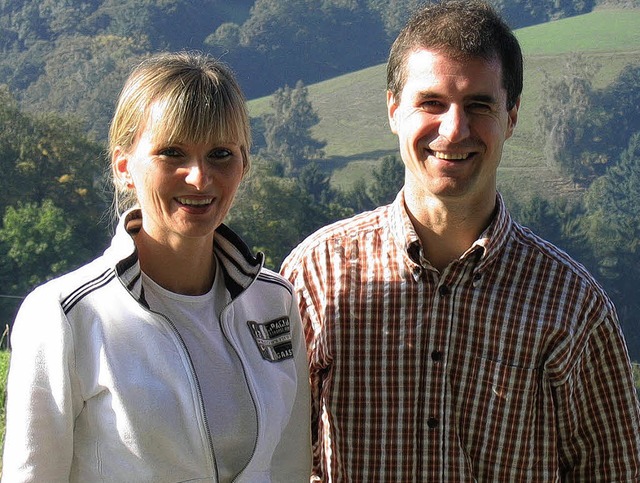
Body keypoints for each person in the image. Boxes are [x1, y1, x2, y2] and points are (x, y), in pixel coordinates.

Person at [281, 1, 640, 481]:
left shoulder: (571, 306)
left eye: (479, 105)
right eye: (432, 103)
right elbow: (267, 454)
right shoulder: (317, 276)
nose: (454, 129)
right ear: (394, 110)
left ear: (511, 118)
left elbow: (615, 471)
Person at [2, 52, 311, 482]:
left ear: (244, 164)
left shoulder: (274, 301)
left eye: (220, 154)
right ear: (124, 166)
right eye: (172, 153)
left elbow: (288, 466)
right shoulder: (64, 314)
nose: (200, 178)